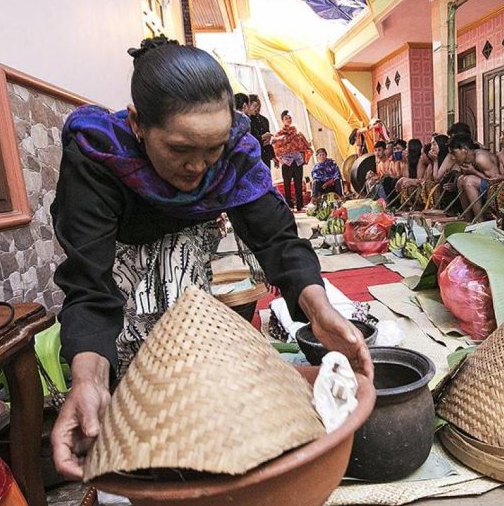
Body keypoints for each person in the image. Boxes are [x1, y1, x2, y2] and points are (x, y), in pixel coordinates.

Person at [49, 38, 371, 480]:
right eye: (180, 149)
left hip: (185, 255)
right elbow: (90, 283)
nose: (198, 167)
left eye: (212, 149)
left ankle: (199, 452)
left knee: (186, 358)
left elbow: (277, 239)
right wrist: (88, 380)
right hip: (121, 256)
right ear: (138, 124)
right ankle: (132, 457)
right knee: (133, 375)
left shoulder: (235, 153)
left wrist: (320, 310)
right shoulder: (98, 154)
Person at [445, 136, 504, 220]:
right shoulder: (466, 160)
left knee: (468, 181)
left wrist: (474, 172)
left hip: (496, 187)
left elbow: (495, 180)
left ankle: (480, 220)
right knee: (460, 180)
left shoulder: (481, 158)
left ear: (464, 150)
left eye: (454, 153)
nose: (452, 157)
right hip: (484, 185)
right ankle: (469, 220)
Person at [271, 110, 312, 211]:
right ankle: (289, 205)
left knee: (298, 183)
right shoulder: (279, 134)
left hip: (297, 161)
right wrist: (280, 158)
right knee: (287, 184)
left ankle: (300, 205)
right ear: (282, 120)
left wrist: (305, 147)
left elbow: (303, 144)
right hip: (287, 162)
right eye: (286, 118)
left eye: (289, 118)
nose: (288, 119)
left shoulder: (297, 132)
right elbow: (276, 146)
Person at [248, 94, 274, 166]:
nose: (257, 108)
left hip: (265, 156)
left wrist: (273, 156)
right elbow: (247, 140)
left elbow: (267, 141)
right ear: (248, 105)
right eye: (255, 106)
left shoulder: (264, 120)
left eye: (258, 106)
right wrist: (262, 137)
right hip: (254, 157)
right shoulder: (246, 121)